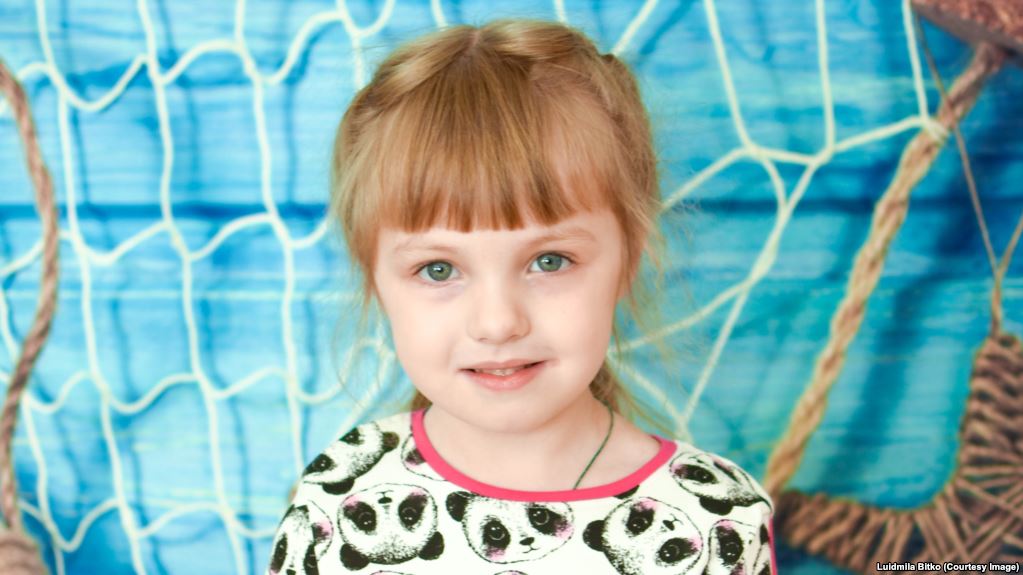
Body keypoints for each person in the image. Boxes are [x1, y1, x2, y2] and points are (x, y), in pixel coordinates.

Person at [267, 18, 775, 575]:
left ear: (629, 258)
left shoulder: (714, 521)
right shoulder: (342, 494)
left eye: (549, 261)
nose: (498, 322)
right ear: (375, 280)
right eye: (438, 269)